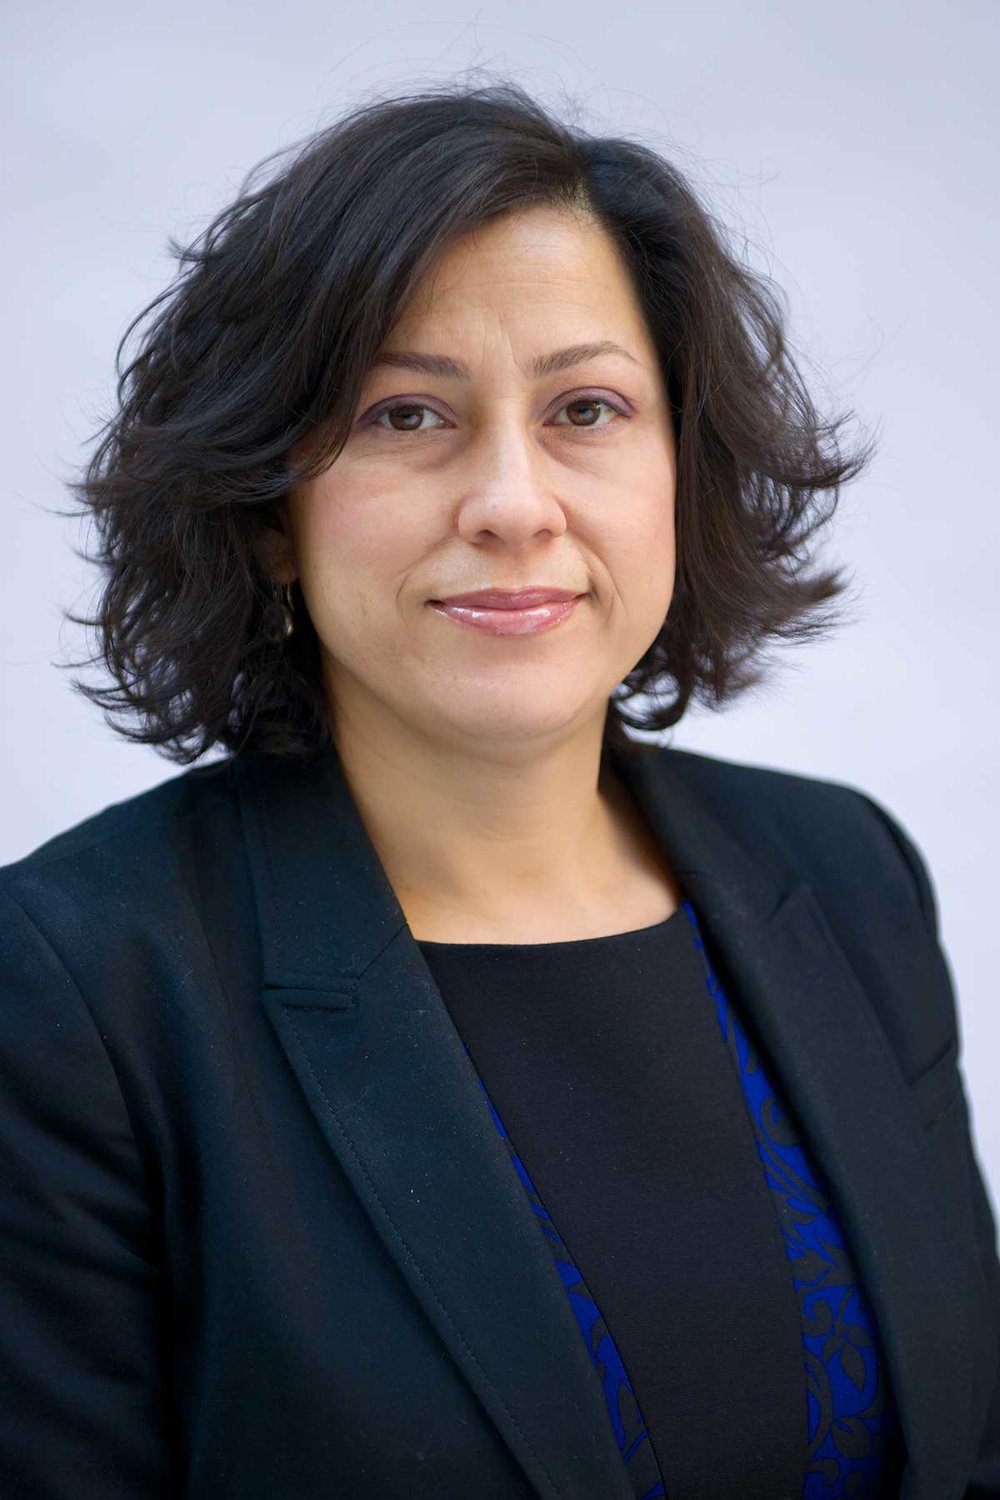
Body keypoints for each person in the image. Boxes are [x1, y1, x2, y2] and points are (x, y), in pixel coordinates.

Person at [1, 77, 996, 1500]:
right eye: (407, 415)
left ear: (677, 474)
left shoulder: (844, 874)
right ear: (270, 513)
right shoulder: (78, 992)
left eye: (587, 406)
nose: (514, 502)